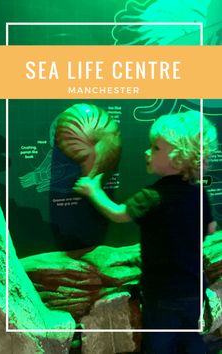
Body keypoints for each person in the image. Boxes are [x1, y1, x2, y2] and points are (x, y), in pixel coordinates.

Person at [73, 110, 218, 353]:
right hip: (194, 288)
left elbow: (118, 214)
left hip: (162, 293)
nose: (147, 151)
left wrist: (93, 191)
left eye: (156, 147)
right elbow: (210, 228)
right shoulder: (199, 193)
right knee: (190, 338)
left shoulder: (151, 197)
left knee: (159, 343)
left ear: (178, 157)